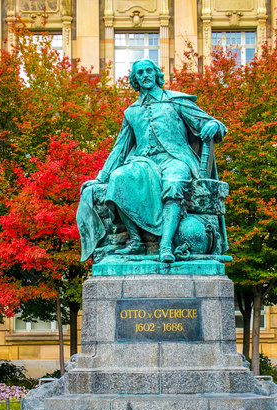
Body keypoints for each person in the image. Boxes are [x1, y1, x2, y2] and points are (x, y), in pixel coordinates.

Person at [77, 58, 226, 263]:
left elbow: (209, 123)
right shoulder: (131, 112)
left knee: (173, 184)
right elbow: (120, 148)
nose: (145, 75)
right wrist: (100, 177)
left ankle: (165, 245)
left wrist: (215, 125)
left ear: (156, 74)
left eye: (149, 70)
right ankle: (136, 241)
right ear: (135, 80)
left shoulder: (175, 101)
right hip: (144, 162)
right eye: (140, 73)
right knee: (119, 177)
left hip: (176, 159)